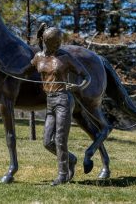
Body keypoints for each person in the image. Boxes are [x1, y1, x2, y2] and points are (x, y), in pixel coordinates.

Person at [31, 26, 91, 186]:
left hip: (64, 99)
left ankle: (63, 174)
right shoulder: (38, 57)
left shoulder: (66, 57)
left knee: (60, 139)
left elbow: (86, 77)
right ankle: (71, 159)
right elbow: (23, 72)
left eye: (59, 41)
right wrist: (3, 68)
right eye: (54, 42)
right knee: (47, 142)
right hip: (50, 101)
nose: (58, 45)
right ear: (45, 41)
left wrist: (79, 87)